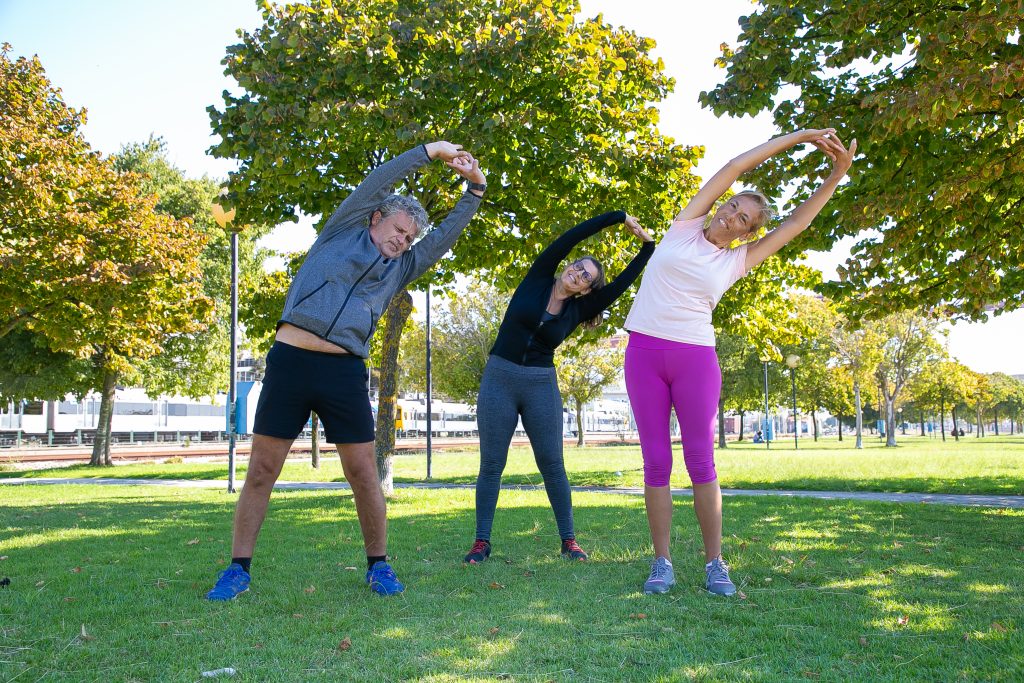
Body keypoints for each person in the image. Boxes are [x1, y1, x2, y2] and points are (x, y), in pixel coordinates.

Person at [206, 141, 487, 600]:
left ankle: (379, 566)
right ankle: (237, 570)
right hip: (291, 362)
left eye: (409, 238)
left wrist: (474, 190)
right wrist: (429, 152)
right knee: (261, 470)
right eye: (398, 230)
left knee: (362, 472)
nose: (403, 241)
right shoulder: (343, 230)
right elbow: (376, 184)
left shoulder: (402, 266)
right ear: (377, 219)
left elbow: (445, 237)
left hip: (344, 373)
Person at [623, 129, 856, 596]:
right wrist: (800, 138)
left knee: (701, 463)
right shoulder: (685, 225)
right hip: (644, 354)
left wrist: (836, 174)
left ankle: (715, 564)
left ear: (749, 233)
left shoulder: (735, 262)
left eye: (745, 220)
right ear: (722, 205)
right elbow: (734, 166)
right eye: (733, 207)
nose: (733, 217)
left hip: (694, 359)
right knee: (655, 463)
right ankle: (662, 562)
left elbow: (797, 226)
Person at [464, 211, 655, 565]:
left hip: (539, 384)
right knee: (492, 464)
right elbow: (573, 234)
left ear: (586, 289)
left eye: (587, 277)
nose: (578, 274)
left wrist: (647, 248)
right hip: (499, 377)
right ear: (568, 266)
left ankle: (569, 541)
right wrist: (619, 218)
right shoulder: (539, 277)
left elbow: (623, 283)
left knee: (552, 463)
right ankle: (481, 542)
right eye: (578, 267)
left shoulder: (581, 309)